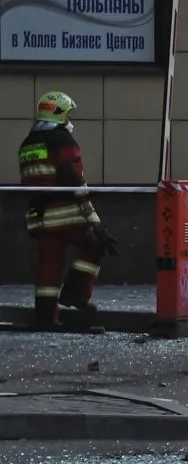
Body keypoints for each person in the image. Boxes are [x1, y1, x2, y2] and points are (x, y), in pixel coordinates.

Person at [17, 91, 109, 330]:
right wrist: (93, 218)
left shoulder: (28, 143)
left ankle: (46, 316)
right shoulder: (62, 141)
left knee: (48, 266)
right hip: (66, 213)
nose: (70, 120)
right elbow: (74, 180)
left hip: (39, 217)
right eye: (68, 114)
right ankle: (77, 295)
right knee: (94, 244)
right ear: (58, 115)